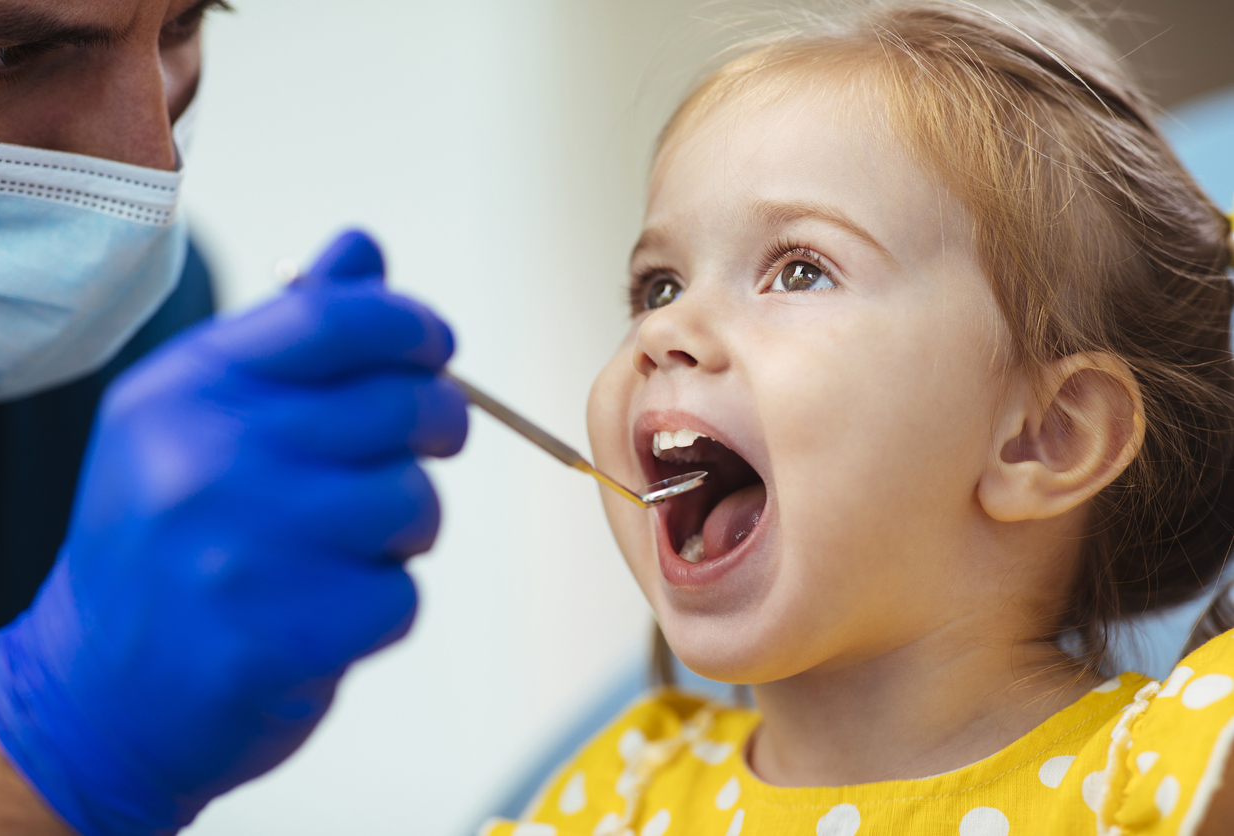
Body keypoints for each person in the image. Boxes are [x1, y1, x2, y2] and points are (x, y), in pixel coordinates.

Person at [480, 2, 1234, 834]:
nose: (664, 331)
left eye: (799, 271)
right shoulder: (619, 798)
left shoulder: (1171, 774)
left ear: (1045, 436)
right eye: (660, 285)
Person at [0, 1, 469, 834]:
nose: (153, 160)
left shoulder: (138, 319)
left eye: (181, 24)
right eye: (5, 55)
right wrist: (45, 754)